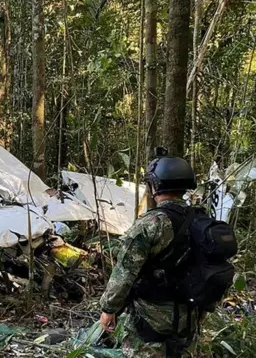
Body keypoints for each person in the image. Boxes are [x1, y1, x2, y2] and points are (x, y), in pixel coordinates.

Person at [98, 149, 205, 357]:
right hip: (188, 317)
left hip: (149, 318)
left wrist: (108, 309)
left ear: (155, 186)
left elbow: (124, 272)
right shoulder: (201, 221)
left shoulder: (151, 223)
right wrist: (205, 309)